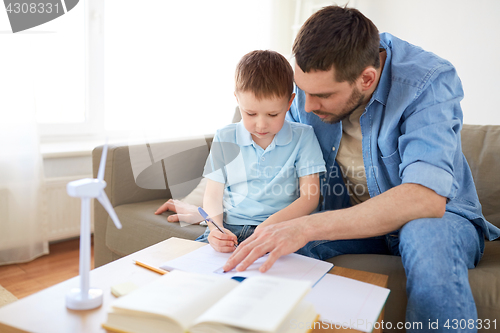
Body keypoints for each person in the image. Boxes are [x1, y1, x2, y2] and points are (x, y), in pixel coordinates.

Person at [220, 5, 500, 332]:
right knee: (264, 247)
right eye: (303, 92)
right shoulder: (305, 95)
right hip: (351, 216)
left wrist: (307, 227)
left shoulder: (428, 81)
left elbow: (425, 199)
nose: (306, 107)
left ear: (367, 79)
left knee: (424, 235)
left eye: (322, 95)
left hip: (439, 219)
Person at [157, 50, 326, 253]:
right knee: (193, 269)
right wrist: (215, 229)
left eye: (273, 114)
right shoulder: (225, 137)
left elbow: (310, 197)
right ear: (237, 99)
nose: (261, 124)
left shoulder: (303, 137)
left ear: (289, 102)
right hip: (231, 228)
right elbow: (212, 196)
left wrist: (267, 228)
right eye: (251, 113)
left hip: (282, 229)